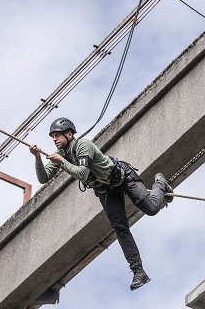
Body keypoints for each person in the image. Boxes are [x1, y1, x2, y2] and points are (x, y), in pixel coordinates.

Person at [29, 117, 173, 290]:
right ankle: (138, 272)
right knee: (120, 228)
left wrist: (62, 163)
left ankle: (160, 183)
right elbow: (43, 178)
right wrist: (37, 157)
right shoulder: (61, 155)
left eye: (58, 135)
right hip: (106, 190)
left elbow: (82, 173)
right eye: (52, 136)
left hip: (123, 177)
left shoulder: (83, 145)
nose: (54, 139)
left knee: (150, 208)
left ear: (69, 134)